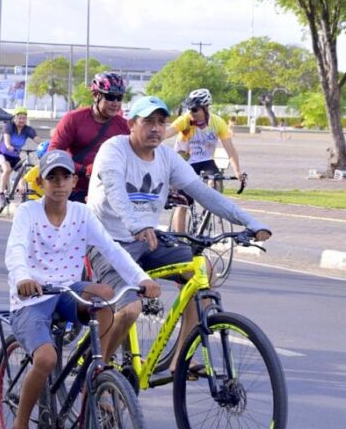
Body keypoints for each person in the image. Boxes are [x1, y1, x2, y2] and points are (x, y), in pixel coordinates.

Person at [86, 95, 272, 367]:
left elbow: (203, 192)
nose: (156, 128)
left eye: (162, 122)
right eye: (148, 121)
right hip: (110, 243)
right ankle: (100, 370)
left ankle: (180, 361)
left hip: (148, 240)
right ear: (131, 125)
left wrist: (250, 222)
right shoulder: (114, 150)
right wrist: (137, 225)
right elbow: (115, 191)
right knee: (130, 310)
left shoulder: (166, 156)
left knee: (202, 271)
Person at [6, 150, 160, 429]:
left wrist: (141, 279)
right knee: (46, 358)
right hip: (32, 298)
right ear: (40, 182)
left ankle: (96, 368)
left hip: (67, 290)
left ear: (74, 181)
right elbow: (15, 249)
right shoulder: (28, 213)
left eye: (65, 177)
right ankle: (19, 423)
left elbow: (112, 250)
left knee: (106, 295)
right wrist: (22, 278)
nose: (59, 184)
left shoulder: (81, 213)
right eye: (52, 178)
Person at [164, 88, 244, 233]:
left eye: (195, 109)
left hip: (206, 161)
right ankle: (180, 240)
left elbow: (230, 150)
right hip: (185, 163)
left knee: (215, 184)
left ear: (206, 108)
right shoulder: (186, 120)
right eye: (189, 109)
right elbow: (167, 133)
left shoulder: (217, 123)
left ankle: (206, 218)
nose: (191, 113)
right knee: (183, 204)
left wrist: (238, 172)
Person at [49, 71, 131, 203]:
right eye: (110, 97)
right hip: (76, 190)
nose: (116, 103)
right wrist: (83, 170)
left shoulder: (123, 125)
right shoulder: (73, 119)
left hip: (108, 192)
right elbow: (53, 153)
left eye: (119, 98)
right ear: (96, 95)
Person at [0, 108, 45, 206]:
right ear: (15, 118)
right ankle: (0, 193)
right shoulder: (9, 126)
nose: (22, 120)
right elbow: (6, 140)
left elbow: (37, 139)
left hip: (15, 156)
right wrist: (9, 146)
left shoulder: (27, 130)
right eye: (20, 118)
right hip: (1, 154)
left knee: (25, 173)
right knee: (7, 169)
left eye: (24, 118)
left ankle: (20, 193)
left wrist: (48, 145)